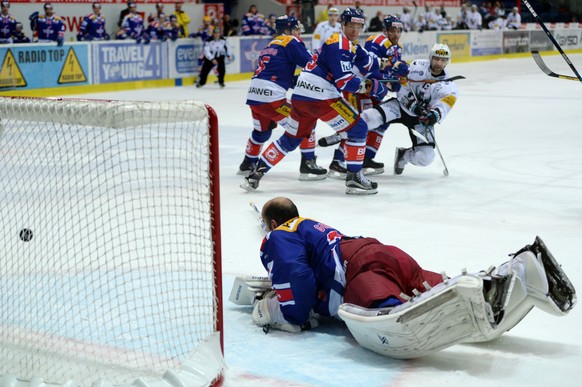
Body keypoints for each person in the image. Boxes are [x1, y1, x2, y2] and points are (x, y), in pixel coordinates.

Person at [251, 197, 576, 359]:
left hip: (360, 271)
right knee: (432, 286)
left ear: (273, 221)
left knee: (392, 311)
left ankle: (399, 302)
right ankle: (517, 272)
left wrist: (289, 313)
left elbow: (295, 275)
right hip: (387, 255)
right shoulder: (313, 226)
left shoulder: (279, 234)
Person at [241, 8, 392, 195]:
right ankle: (354, 178)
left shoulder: (346, 43)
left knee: (290, 138)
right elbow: (344, 81)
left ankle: (255, 174)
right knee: (359, 128)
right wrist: (371, 87)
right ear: (342, 25)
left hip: (301, 97)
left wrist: (386, 65)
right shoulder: (341, 44)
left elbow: (368, 62)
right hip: (322, 97)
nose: (355, 30)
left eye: (358, 26)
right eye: (351, 26)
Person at [323, 15, 408, 178]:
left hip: (375, 88)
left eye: (398, 30)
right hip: (359, 87)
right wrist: (390, 79)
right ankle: (337, 161)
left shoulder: (398, 48)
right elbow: (370, 68)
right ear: (385, 29)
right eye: (392, 30)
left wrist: (399, 77)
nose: (395, 34)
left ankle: (367, 158)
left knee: (381, 122)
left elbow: (391, 72)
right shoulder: (376, 41)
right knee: (360, 124)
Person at [238, 15, 321, 180]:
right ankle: (308, 163)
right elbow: (311, 64)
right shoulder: (291, 41)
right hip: (272, 96)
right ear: (287, 30)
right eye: (296, 29)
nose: (298, 32)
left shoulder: (270, 44)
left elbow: (276, 71)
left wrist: (294, 80)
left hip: (254, 95)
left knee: (262, 132)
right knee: (305, 121)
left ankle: (248, 162)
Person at [359, 43, 458, 176]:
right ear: (430, 57)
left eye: (443, 60)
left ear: (447, 61)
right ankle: (345, 156)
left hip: (420, 120)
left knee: (426, 157)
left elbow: (443, 107)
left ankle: (403, 156)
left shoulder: (450, 86)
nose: (439, 63)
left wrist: (432, 116)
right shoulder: (417, 66)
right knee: (367, 118)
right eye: (436, 59)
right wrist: (411, 104)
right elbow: (403, 87)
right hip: (400, 108)